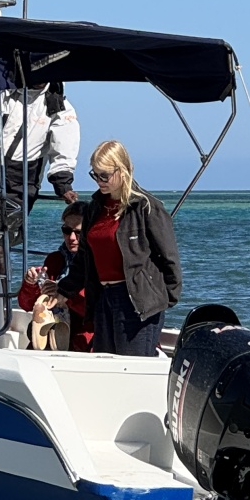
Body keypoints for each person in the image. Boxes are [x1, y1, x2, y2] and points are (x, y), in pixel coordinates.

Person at [61, 141, 181, 356]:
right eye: (95, 175)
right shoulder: (95, 208)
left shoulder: (146, 206)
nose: (99, 181)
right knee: (106, 364)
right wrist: (64, 290)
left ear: (122, 170)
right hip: (103, 298)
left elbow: (168, 256)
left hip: (136, 301)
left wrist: (164, 299)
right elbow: (85, 257)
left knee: (132, 367)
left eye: (104, 175)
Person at [0, 73, 80, 234]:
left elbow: (63, 150)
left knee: (2, 234)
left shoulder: (61, 109)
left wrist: (63, 186)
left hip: (19, 180)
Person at [17, 202, 91, 351]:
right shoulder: (54, 260)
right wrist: (31, 284)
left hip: (82, 340)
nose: (71, 237)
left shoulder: (97, 263)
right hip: (49, 336)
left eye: (78, 232)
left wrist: (64, 294)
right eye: (66, 230)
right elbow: (26, 305)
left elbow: (96, 310)